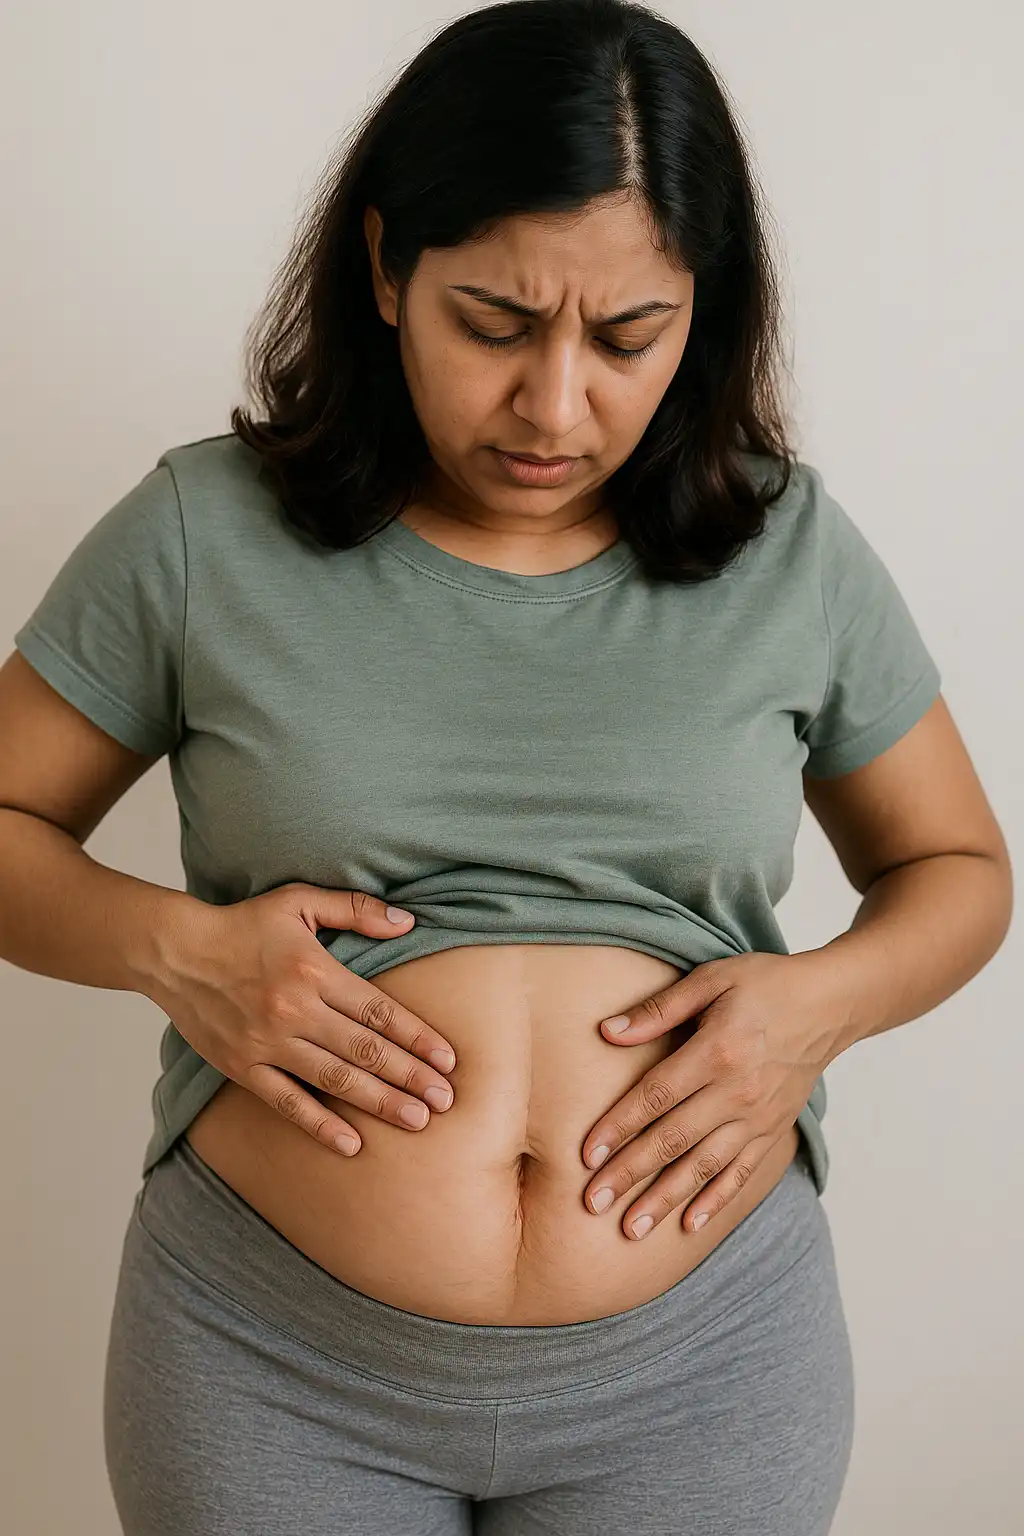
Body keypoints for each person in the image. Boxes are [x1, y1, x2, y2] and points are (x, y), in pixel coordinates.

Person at [0, 1, 1011, 1532]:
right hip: (274, 1358)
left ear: (703, 307)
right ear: (388, 265)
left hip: (704, 1364)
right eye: (493, 323)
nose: (554, 404)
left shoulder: (784, 547)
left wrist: (816, 1010)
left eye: (625, 338)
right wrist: (179, 952)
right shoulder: (205, 535)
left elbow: (957, 869)